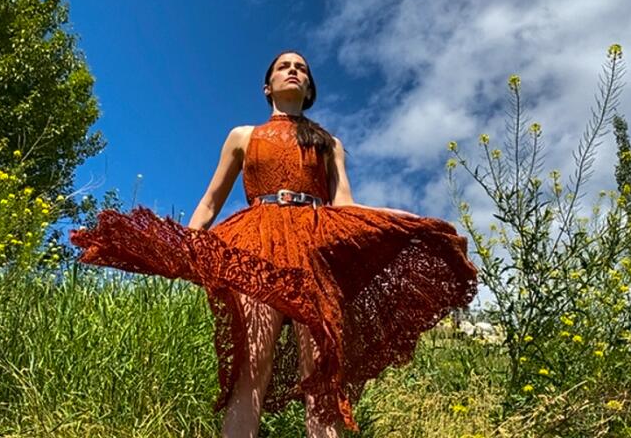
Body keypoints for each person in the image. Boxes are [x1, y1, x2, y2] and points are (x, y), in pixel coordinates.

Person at [70, 50, 478, 437]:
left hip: (314, 249)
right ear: (268, 86)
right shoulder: (243, 136)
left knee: (322, 368)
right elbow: (211, 201)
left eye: (301, 67)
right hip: (256, 245)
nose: (293, 70)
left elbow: (345, 206)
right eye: (284, 66)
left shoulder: (329, 143)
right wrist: (187, 248)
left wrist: (395, 219)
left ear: (309, 89)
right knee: (252, 368)